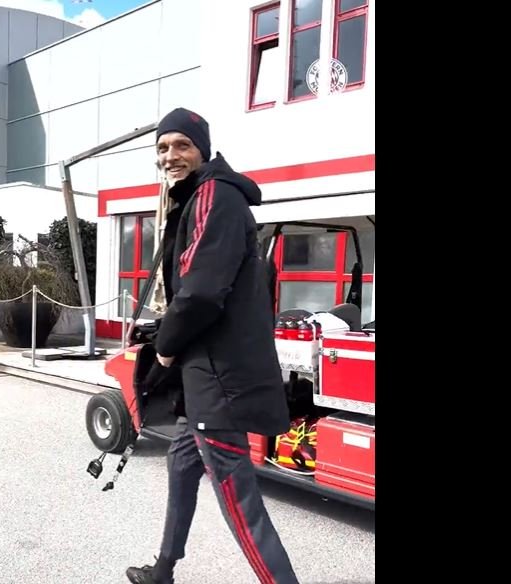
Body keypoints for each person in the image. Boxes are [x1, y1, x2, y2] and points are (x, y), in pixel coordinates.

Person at [126, 108, 299, 584]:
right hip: (205, 373)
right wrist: (165, 334)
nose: (170, 155)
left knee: (241, 506)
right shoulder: (200, 197)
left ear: (202, 149)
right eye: (162, 148)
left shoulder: (213, 196)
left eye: (182, 145)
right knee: (182, 460)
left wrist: (165, 348)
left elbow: (201, 292)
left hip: (218, 379)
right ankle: (164, 569)